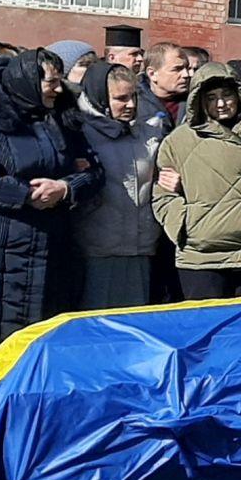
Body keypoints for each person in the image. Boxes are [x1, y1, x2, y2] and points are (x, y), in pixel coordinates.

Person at [0, 49, 100, 368]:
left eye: (59, 81)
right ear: (26, 82)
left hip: (47, 252)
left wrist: (65, 188)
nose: (58, 89)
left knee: (32, 359)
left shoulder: (60, 116)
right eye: (51, 82)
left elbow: (93, 170)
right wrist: (23, 193)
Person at [152, 63, 241, 299]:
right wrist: (184, 226)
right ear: (198, 100)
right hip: (201, 259)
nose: (221, 104)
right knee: (207, 330)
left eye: (227, 95)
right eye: (211, 97)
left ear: (239, 95)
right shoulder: (178, 141)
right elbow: (163, 195)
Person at [70, 62, 168, 310]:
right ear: (101, 97)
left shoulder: (149, 134)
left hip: (141, 248)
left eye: (133, 96)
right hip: (94, 249)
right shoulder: (78, 133)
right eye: (121, 98)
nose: (131, 105)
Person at [136, 41, 191, 125]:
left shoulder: (195, 103)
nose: (186, 75)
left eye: (187, 68)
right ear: (152, 74)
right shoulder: (133, 103)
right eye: (177, 69)